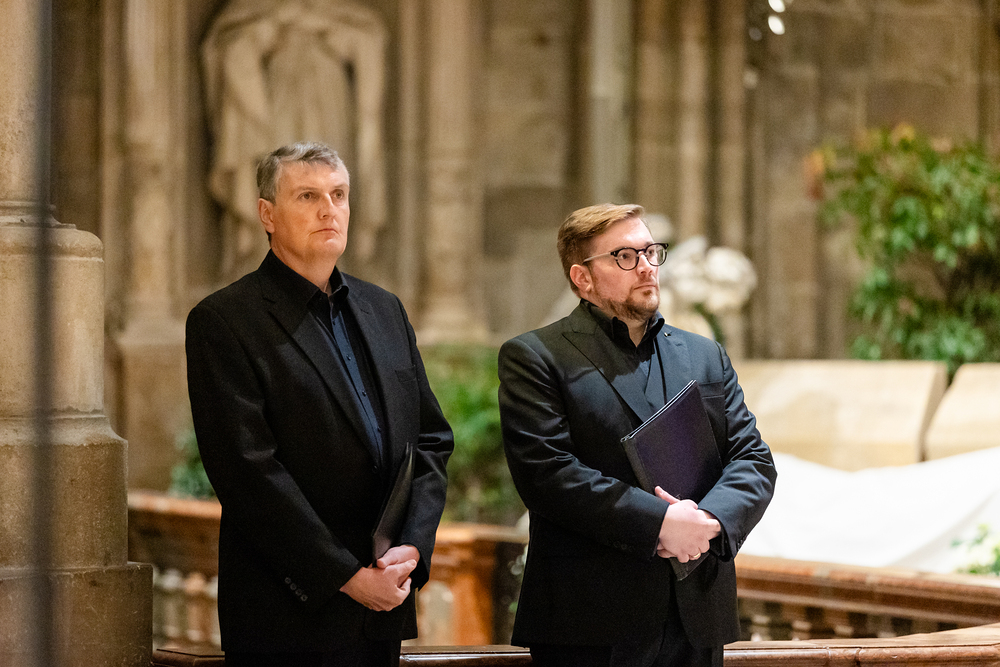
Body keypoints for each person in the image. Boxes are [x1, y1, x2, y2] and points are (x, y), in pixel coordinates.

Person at [185, 141, 453, 666]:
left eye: (339, 195)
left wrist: (413, 548)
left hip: (384, 603)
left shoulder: (384, 309)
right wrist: (345, 577)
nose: (329, 209)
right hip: (288, 613)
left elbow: (431, 440)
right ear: (267, 214)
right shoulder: (225, 320)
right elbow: (247, 471)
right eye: (307, 196)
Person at [498, 203, 776, 667]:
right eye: (625, 256)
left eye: (651, 252)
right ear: (582, 277)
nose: (646, 266)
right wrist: (661, 524)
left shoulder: (704, 355)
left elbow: (753, 460)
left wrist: (707, 522)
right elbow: (549, 475)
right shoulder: (536, 357)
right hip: (591, 620)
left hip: (696, 614)